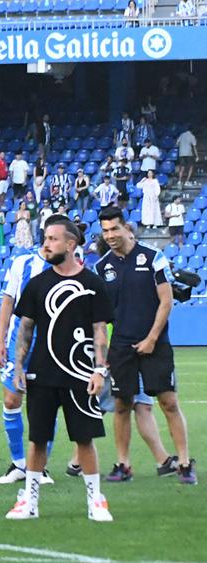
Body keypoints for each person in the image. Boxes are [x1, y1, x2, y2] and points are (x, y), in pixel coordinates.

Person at [5, 216, 115, 522]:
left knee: (84, 439)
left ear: (71, 244)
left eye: (53, 239)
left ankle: (96, 500)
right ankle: (30, 501)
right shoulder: (37, 284)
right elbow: (25, 328)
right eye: (46, 238)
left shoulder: (92, 284)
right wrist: (17, 367)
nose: (46, 244)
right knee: (38, 439)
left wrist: (99, 370)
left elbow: (100, 331)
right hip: (41, 373)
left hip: (80, 374)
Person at [93, 207, 194, 483]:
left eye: (115, 228)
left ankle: (184, 463)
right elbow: (101, 317)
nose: (110, 235)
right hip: (121, 345)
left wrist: (151, 338)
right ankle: (123, 464)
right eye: (105, 231)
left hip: (156, 343)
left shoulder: (153, 257)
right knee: (122, 405)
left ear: (127, 227)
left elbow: (166, 300)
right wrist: (102, 358)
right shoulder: (101, 267)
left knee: (168, 402)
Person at [0, 240, 53, 487]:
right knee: (11, 400)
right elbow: (8, 301)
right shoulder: (22, 262)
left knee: (46, 404)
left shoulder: (68, 265)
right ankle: (19, 464)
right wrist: (0, 341)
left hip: (50, 345)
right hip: (19, 342)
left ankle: (41, 468)